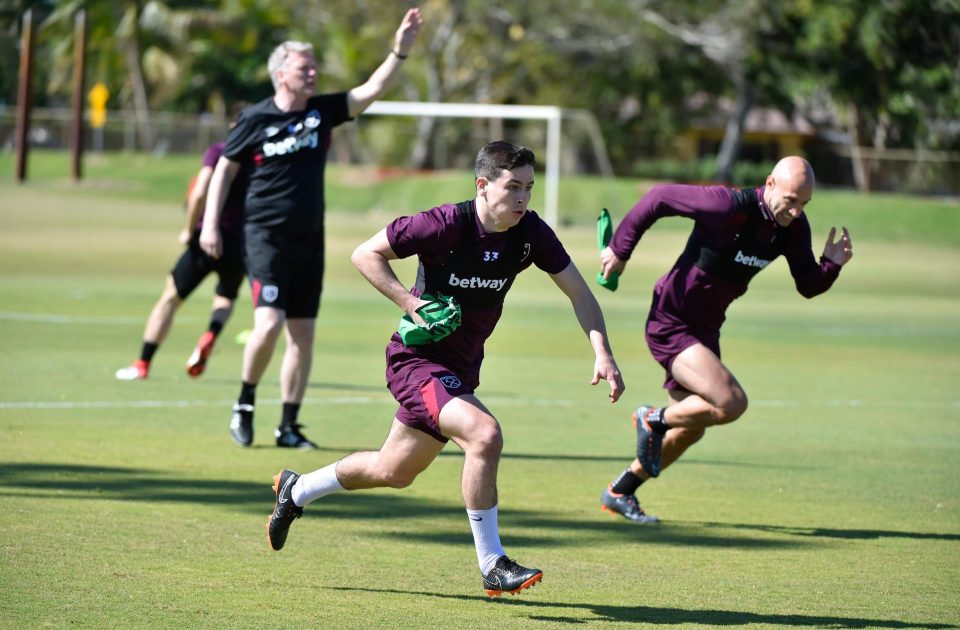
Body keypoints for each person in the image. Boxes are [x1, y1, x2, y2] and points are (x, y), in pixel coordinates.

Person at [265, 141, 626, 596]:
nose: (522, 199)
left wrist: (603, 351)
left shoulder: (530, 233)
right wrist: (410, 303)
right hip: (415, 362)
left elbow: (580, 293)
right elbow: (365, 254)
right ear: (482, 185)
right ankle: (493, 564)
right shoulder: (443, 224)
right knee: (484, 434)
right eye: (513, 187)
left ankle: (296, 491)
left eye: (529, 188)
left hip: (459, 371)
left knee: (392, 470)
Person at [200, 8, 423, 449]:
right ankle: (244, 403)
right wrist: (210, 223)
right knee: (267, 324)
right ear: (282, 74)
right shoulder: (255, 119)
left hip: (309, 238)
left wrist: (399, 50)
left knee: (302, 334)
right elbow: (224, 169)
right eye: (305, 68)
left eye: (314, 66)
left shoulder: (322, 112)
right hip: (264, 235)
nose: (313, 73)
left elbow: (371, 90)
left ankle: (288, 425)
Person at [596, 156, 853, 523]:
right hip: (672, 321)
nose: (796, 211)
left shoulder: (793, 227)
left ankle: (621, 490)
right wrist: (621, 249)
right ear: (770, 183)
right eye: (791, 200)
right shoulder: (725, 205)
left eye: (804, 204)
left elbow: (808, 284)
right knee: (732, 403)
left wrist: (831, 264)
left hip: (706, 329)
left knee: (693, 428)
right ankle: (651, 419)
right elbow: (658, 198)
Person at [115, 139, 247, 381]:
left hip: (206, 238)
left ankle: (143, 362)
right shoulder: (258, 155)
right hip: (240, 243)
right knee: (225, 298)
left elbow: (199, 192)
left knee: (170, 297)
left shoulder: (219, 151)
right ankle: (211, 334)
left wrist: (188, 229)